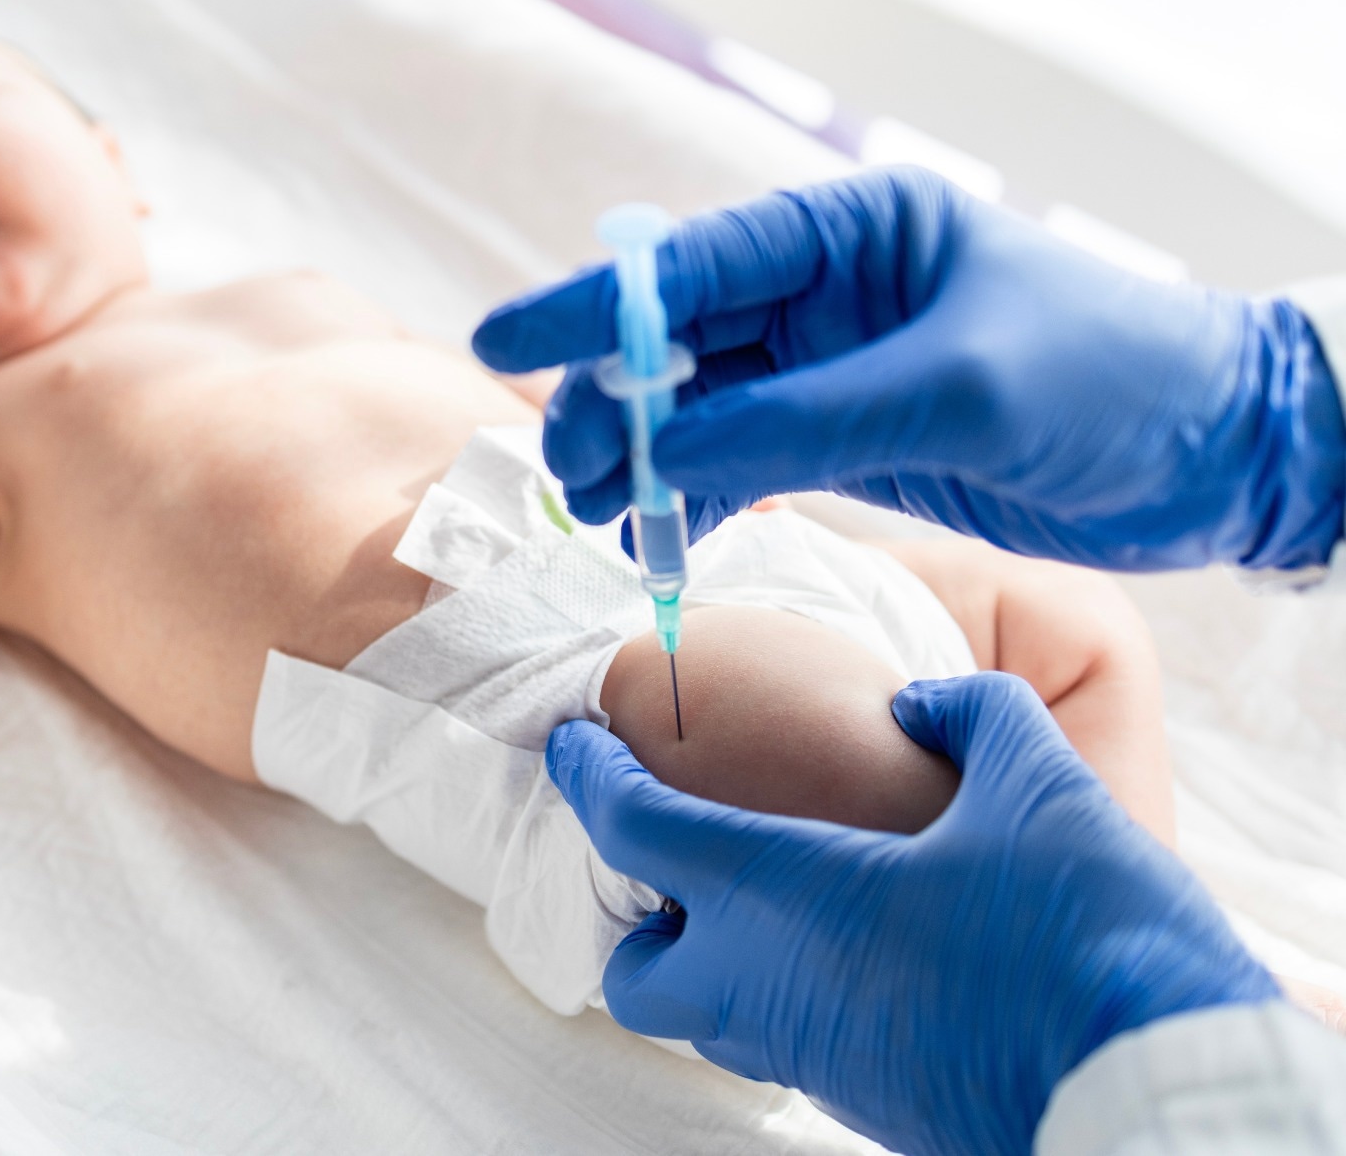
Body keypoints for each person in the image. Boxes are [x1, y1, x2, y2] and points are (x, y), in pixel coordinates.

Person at [0, 15, 1170, 1030]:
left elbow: (534, 411)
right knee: (831, 753)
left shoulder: (290, 287)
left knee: (1074, 632)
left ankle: (1149, 943)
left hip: (701, 555)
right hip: (557, 698)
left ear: (114, 161)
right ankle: (1131, 1030)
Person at [472, 165, 1346, 1155]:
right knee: (1056, 635)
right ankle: (1141, 944)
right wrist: (1268, 421)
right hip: (761, 601)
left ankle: (1138, 973)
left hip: (627, 645)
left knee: (813, 761)